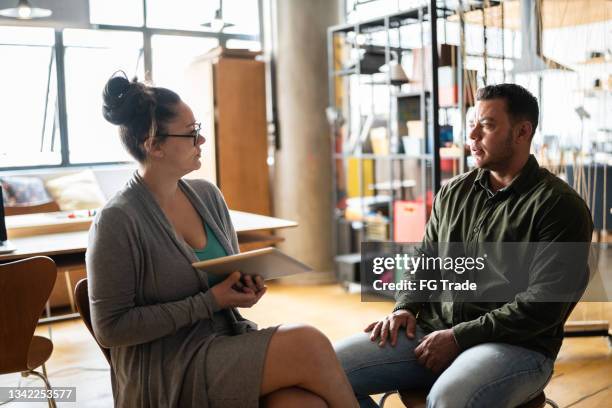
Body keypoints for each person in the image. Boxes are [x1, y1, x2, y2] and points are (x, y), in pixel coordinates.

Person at [87, 72, 358, 408]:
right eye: (191, 134)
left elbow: (225, 277)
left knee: (302, 405)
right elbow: (111, 329)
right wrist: (211, 301)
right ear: (153, 145)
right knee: (307, 342)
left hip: (224, 343)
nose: (201, 141)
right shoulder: (117, 221)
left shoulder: (208, 196)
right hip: (166, 368)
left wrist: (242, 287)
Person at [335, 83, 593, 408]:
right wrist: (404, 306)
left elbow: (543, 305)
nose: (471, 135)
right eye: (471, 124)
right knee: (327, 368)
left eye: (486, 125)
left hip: (517, 346)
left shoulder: (558, 205)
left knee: (450, 399)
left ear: (522, 132)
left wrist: (460, 337)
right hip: (434, 331)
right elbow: (425, 259)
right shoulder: (453, 192)